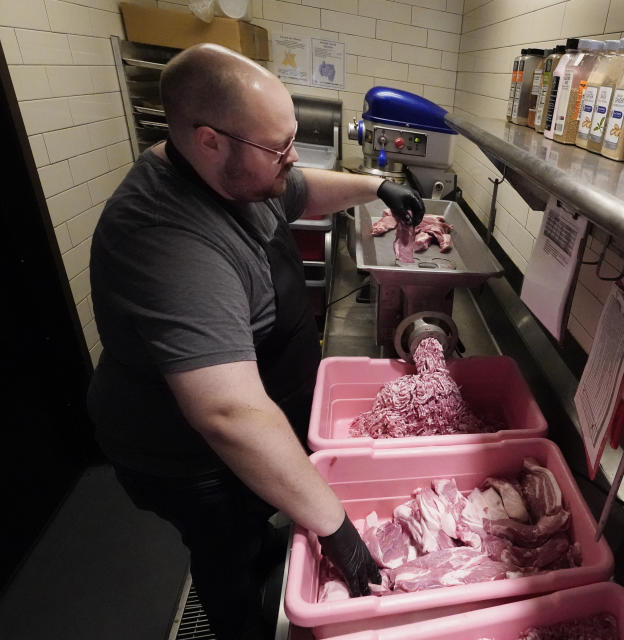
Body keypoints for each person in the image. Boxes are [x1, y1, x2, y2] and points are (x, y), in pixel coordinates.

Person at [86, 44, 425, 639]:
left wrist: (376, 187)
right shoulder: (168, 237)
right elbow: (229, 414)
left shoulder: (238, 176)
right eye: (278, 148)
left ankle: (261, 543)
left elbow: (298, 189)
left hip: (236, 442)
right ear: (210, 139)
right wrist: (336, 527)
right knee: (225, 555)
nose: (290, 158)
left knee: (254, 530)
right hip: (189, 457)